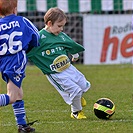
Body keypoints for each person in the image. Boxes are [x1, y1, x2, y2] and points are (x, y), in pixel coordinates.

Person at [27, 7, 91, 119]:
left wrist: (75, 54)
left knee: (85, 85)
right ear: (49, 23)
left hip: (69, 68)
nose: (62, 29)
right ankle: (76, 112)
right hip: (56, 73)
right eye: (59, 26)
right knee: (75, 91)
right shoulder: (39, 38)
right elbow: (28, 52)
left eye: (63, 26)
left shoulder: (60, 35)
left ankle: (77, 98)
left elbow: (70, 44)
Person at [0, 0, 40, 132]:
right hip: (16, 60)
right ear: (15, 9)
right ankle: (22, 125)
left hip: (3, 61)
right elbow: (36, 36)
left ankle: (22, 125)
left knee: (18, 93)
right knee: (12, 96)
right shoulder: (22, 20)